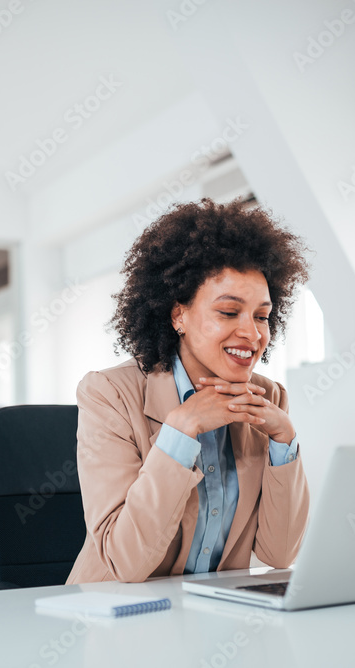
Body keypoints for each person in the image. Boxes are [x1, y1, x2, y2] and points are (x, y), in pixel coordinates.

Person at [66, 198, 311, 584]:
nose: (252, 333)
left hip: (213, 617)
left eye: (262, 316)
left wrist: (285, 439)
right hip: (118, 617)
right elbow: (125, 563)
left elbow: (280, 553)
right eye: (229, 312)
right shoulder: (109, 393)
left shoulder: (268, 398)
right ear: (179, 315)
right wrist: (181, 431)